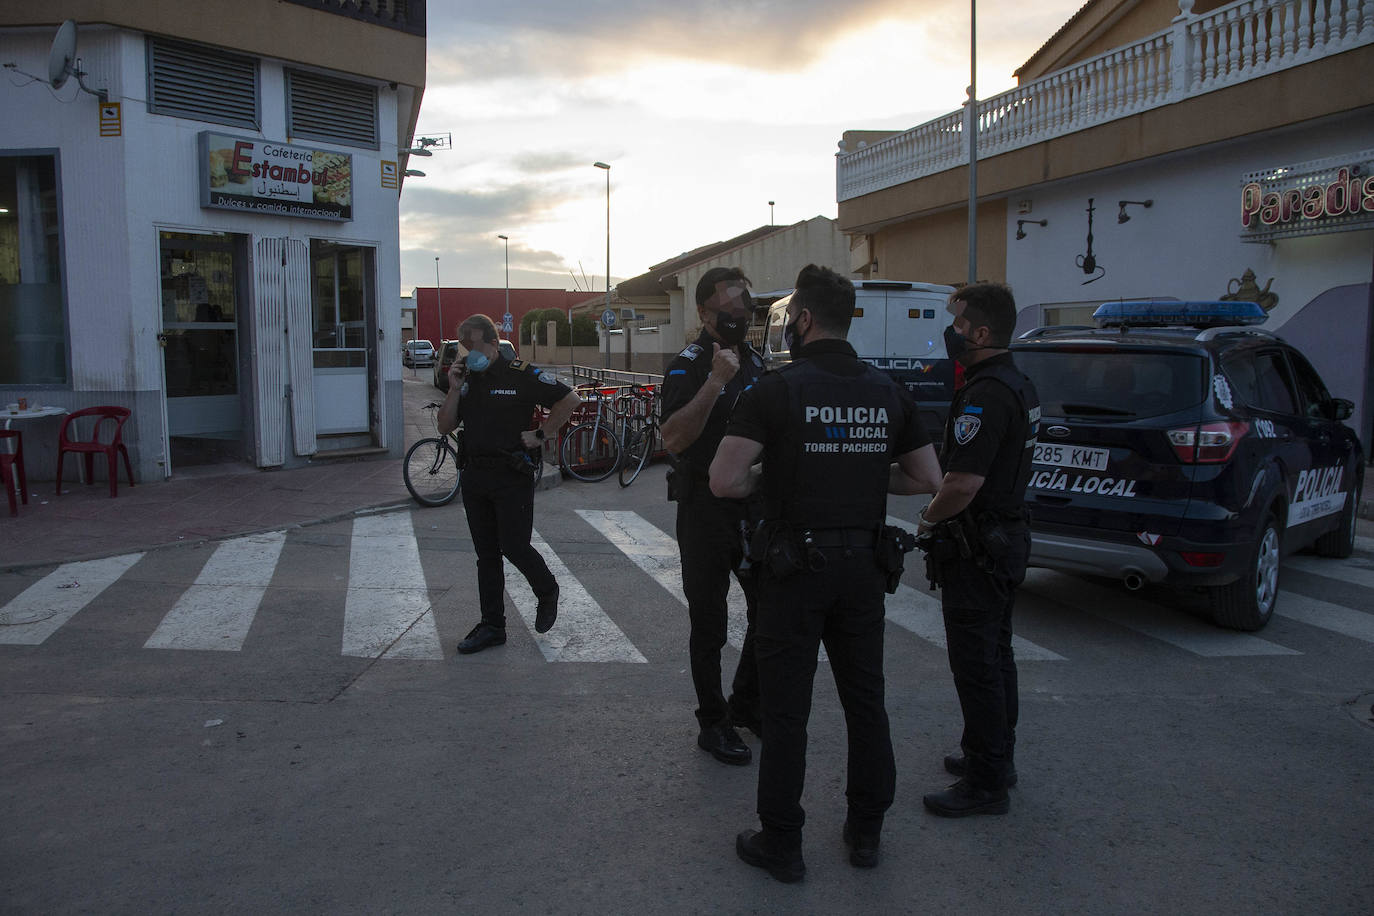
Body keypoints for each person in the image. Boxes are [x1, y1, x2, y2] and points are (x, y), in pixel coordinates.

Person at [710, 264, 943, 882]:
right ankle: (866, 832)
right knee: (866, 702)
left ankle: (782, 842)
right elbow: (926, 479)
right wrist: (863, 472)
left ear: (805, 320)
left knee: (787, 711)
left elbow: (725, 480)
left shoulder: (777, 391)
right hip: (864, 567)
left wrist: (781, 473)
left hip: (794, 569)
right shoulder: (888, 390)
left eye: (788, 321)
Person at [917, 282, 1039, 817]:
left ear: (983, 332)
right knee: (997, 656)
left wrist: (926, 520)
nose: (952, 332)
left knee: (977, 666)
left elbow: (962, 483)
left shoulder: (987, 393)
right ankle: (993, 757)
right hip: (1005, 537)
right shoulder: (1016, 383)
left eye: (960, 323)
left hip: (980, 545)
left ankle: (986, 783)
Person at [659, 266, 764, 766]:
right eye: (728, 313)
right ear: (703, 313)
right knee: (710, 621)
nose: (739, 320)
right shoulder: (690, 363)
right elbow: (674, 438)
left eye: (745, 312)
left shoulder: (756, 361)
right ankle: (713, 721)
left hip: (753, 508)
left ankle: (745, 702)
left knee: (770, 610)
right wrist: (715, 384)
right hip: (704, 508)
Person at [437, 314, 582, 655]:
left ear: (491, 341)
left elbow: (569, 399)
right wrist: (454, 388)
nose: (468, 351)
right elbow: (444, 426)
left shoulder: (521, 374)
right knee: (486, 556)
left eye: (473, 345)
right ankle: (492, 626)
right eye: (464, 346)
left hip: (511, 476)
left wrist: (542, 434)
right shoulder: (467, 380)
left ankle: (546, 589)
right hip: (475, 476)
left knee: (514, 547)